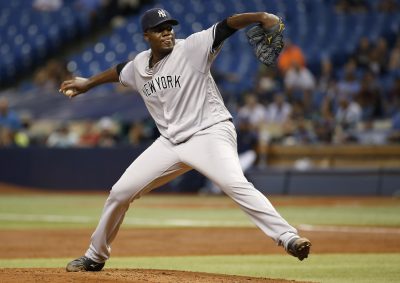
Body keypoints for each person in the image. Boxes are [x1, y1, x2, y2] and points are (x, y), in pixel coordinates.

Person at [60, 8, 311, 272]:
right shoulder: (139, 65)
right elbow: (119, 70)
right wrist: (88, 82)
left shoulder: (192, 48)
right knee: (120, 193)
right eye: (159, 29)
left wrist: (261, 16)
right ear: (147, 36)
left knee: (235, 183)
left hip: (209, 132)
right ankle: (95, 256)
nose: (167, 32)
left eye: (169, 27)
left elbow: (226, 25)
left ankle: (289, 238)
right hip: (170, 142)